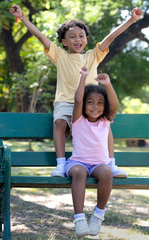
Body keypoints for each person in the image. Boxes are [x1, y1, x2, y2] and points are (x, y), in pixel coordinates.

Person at [10, 5, 143, 177]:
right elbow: (40, 36)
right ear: (64, 42)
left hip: (89, 104)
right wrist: (22, 17)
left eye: (81, 36)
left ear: (86, 39)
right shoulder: (59, 55)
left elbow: (111, 37)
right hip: (65, 102)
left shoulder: (93, 55)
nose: (77, 39)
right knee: (59, 123)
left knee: (105, 126)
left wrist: (131, 20)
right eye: (72, 37)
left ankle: (111, 163)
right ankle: (60, 165)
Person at [66, 66, 118, 237]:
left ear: (105, 106)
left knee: (107, 173)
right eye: (90, 102)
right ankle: (79, 218)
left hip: (98, 164)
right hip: (77, 162)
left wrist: (108, 84)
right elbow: (78, 100)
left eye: (100, 103)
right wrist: (83, 77)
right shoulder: (78, 120)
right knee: (79, 173)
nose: (95, 106)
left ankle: (98, 214)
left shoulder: (105, 121)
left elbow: (115, 105)